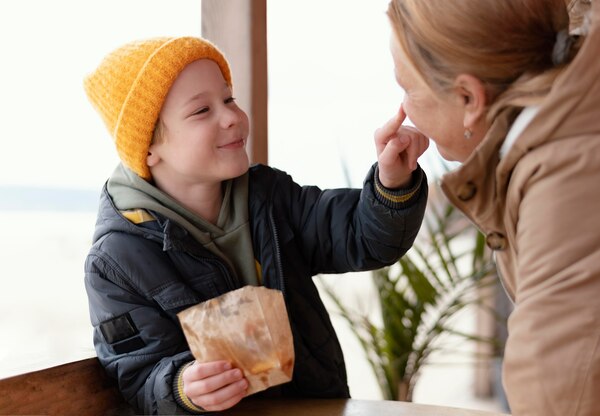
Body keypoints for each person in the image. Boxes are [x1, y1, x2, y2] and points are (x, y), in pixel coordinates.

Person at [82, 36, 429, 414]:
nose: (231, 116)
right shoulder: (116, 260)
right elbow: (137, 376)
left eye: (229, 99)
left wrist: (392, 183)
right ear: (147, 148)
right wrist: (183, 388)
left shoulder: (270, 196)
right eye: (202, 110)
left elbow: (364, 237)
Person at [385, 0, 600, 414]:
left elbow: (560, 398)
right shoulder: (576, 125)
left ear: (469, 97)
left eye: (407, 88)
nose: (402, 110)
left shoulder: (570, 183)